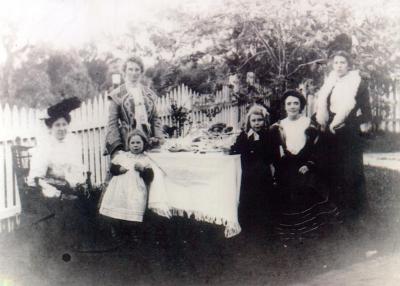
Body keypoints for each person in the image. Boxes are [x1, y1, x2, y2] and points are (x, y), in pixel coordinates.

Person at [314, 34, 372, 220]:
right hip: (329, 132)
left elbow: (366, 110)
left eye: (342, 62)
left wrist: (353, 124)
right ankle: (331, 206)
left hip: (348, 132)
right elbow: (322, 105)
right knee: (329, 167)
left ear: (349, 65)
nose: (339, 66)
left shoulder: (357, 83)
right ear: (333, 64)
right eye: (336, 62)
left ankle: (353, 210)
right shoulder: (330, 81)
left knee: (349, 170)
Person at [270, 90, 339, 241]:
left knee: (306, 188)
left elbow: (318, 148)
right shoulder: (278, 126)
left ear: (301, 105)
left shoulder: (308, 123)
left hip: (305, 165)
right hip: (286, 166)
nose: (292, 106)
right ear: (284, 106)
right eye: (289, 103)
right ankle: (291, 231)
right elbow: (274, 151)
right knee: (286, 191)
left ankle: (310, 230)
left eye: (296, 103)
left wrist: (309, 164)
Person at [27, 97, 91, 259]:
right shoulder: (45, 146)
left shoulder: (73, 141)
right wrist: (58, 193)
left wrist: (78, 184)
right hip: (49, 188)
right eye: (57, 125)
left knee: (88, 200)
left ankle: (82, 246)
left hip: (69, 184)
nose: (61, 128)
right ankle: (63, 249)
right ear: (50, 127)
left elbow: (77, 168)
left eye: (64, 124)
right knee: (68, 205)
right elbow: (37, 178)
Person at [100, 129, 168, 243]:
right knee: (117, 207)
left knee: (134, 209)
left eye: (138, 143)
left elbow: (150, 176)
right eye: (132, 143)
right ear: (128, 144)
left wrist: (142, 169)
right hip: (119, 190)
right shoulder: (123, 156)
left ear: (144, 143)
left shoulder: (146, 159)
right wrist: (118, 169)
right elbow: (112, 169)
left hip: (136, 190)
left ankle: (134, 232)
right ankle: (116, 230)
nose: (135, 146)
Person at [105, 56, 164, 158]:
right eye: (130, 69)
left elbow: (155, 119)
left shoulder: (149, 93)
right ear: (124, 71)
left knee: (148, 171)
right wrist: (117, 147)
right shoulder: (117, 94)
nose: (134, 73)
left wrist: (158, 138)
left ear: (141, 72)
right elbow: (112, 123)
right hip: (126, 142)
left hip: (148, 141)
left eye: (137, 69)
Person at [230, 104, 273, 231]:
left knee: (263, 198)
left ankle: (263, 224)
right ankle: (248, 223)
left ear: (264, 121)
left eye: (259, 120)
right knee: (247, 198)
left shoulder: (268, 135)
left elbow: (269, 155)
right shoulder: (244, 136)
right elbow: (236, 150)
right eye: (253, 121)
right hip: (247, 173)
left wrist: (257, 141)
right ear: (249, 122)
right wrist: (247, 140)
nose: (256, 123)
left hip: (262, 172)